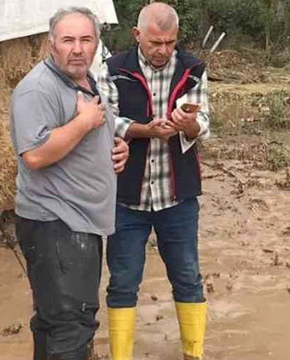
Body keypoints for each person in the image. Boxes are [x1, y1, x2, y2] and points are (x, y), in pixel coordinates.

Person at [9, 6, 129, 360]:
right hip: (57, 225)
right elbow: (34, 154)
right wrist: (84, 123)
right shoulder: (37, 89)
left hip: (79, 223)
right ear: (51, 45)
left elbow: (90, 129)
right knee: (71, 326)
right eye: (68, 40)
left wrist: (114, 146)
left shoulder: (85, 79)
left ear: (96, 43)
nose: (77, 48)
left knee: (53, 323)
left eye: (86, 39)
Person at [96, 2, 211, 359]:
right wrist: (144, 130)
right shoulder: (112, 70)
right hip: (126, 198)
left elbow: (203, 122)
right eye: (155, 43)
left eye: (170, 43)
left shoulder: (192, 69)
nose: (163, 51)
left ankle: (194, 354)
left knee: (188, 277)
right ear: (137, 36)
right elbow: (102, 119)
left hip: (177, 197)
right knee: (123, 283)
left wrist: (187, 124)